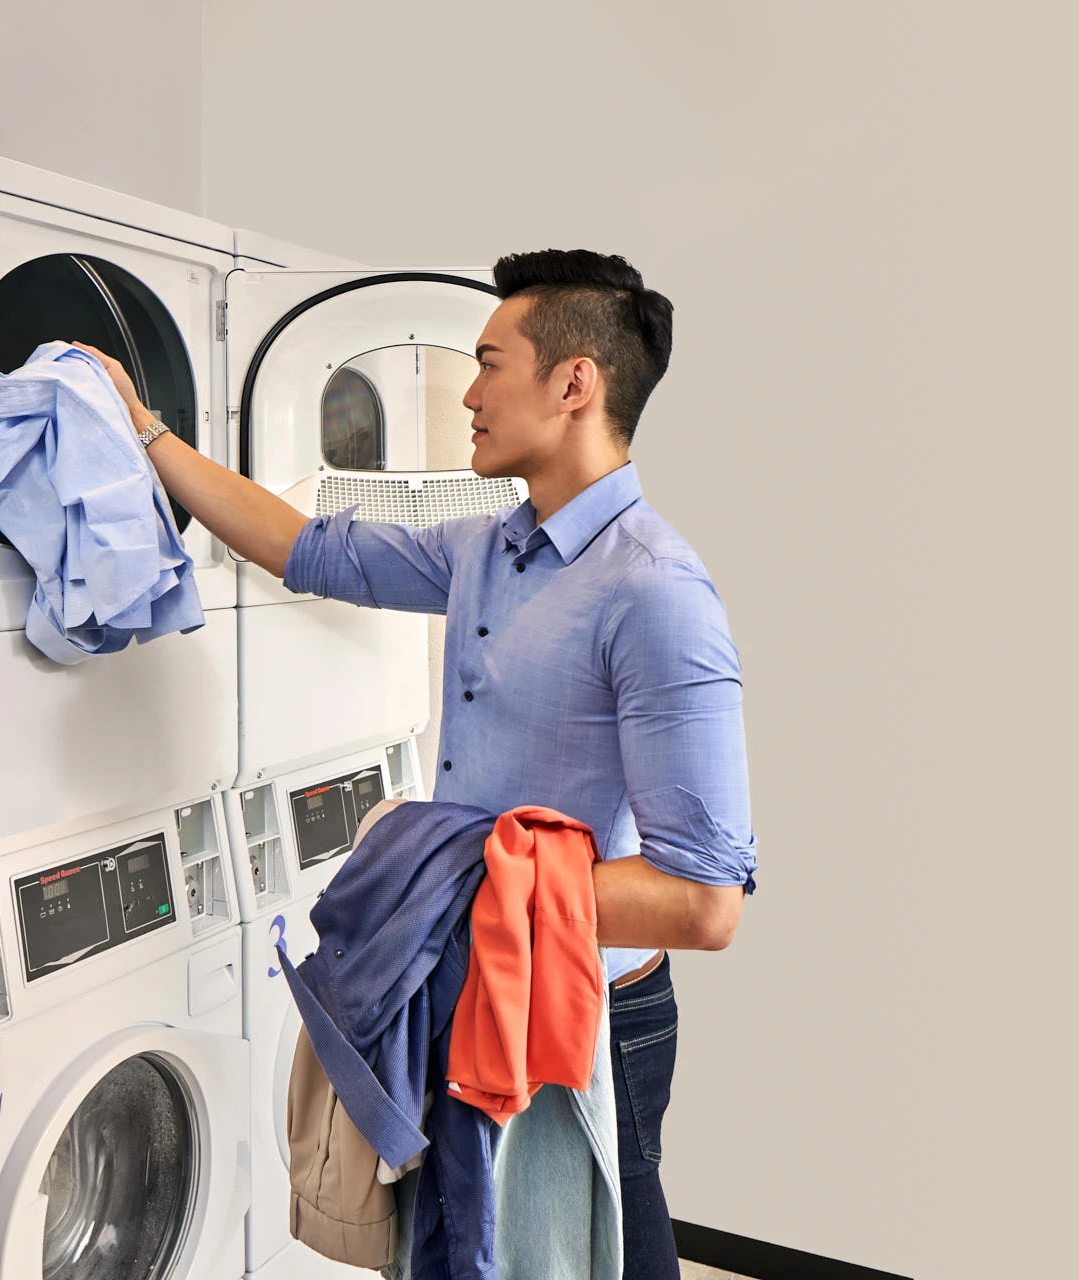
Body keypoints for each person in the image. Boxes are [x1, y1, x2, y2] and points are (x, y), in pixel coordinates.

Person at [77, 248, 757, 1280]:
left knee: (605, 1255)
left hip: (588, 1012)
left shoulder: (656, 593)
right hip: (476, 982)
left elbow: (703, 900)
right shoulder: (491, 548)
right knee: (480, 1248)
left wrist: (454, 886)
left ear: (575, 384)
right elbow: (309, 548)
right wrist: (148, 433)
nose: (472, 392)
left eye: (491, 363)